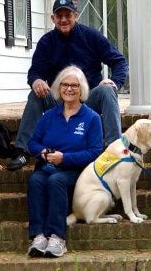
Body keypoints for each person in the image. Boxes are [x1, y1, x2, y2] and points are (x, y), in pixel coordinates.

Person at [7, 0, 128, 170]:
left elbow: (119, 61)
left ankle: (114, 148)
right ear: (53, 18)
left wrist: (115, 81)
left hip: (87, 99)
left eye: (68, 15)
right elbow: (35, 72)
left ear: (75, 16)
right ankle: (21, 150)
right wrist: (37, 80)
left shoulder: (91, 36)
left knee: (108, 91)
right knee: (36, 94)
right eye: (59, 15)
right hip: (58, 100)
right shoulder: (46, 42)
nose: (63, 19)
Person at [26, 65, 103, 258]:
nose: (69, 89)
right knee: (36, 180)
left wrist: (65, 158)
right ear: (59, 88)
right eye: (65, 85)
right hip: (48, 166)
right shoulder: (49, 116)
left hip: (77, 171)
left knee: (55, 181)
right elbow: (32, 142)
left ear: (82, 89)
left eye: (74, 86)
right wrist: (42, 152)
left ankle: (57, 237)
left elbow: (95, 152)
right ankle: (39, 236)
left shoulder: (92, 118)